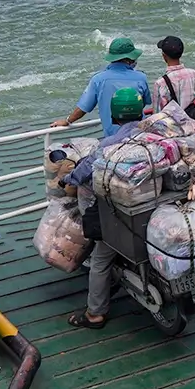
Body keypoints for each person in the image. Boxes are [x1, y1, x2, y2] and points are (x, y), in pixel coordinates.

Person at [64, 86, 147, 329]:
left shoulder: (109, 144)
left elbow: (83, 171)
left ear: (114, 117)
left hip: (122, 212)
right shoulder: (153, 134)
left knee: (101, 258)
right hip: (150, 203)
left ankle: (95, 313)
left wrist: (67, 180)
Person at [52, 36, 150, 137]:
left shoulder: (98, 80)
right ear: (129, 59)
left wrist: (67, 121)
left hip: (112, 138)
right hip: (138, 135)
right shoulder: (141, 78)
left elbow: (82, 108)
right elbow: (144, 102)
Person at [152, 35, 195, 119]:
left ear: (164, 56)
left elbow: (157, 113)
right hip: (191, 122)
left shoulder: (160, 83)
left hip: (172, 127)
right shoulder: (192, 73)